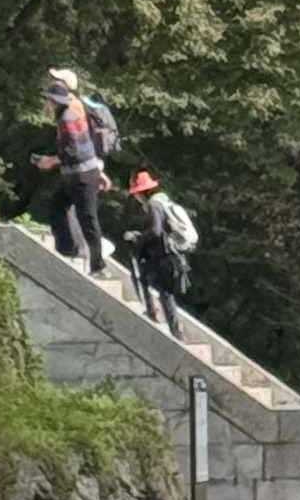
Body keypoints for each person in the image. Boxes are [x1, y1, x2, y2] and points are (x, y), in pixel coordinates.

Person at [29, 75, 111, 275]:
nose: (46, 104)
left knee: (88, 219)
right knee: (57, 207)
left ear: (53, 101)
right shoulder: (68, 113)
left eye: (47, 100)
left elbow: (75, 151)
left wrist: (51, 161)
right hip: (76, 175)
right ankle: (68, 249)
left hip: (81, 177)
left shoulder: (67, 118)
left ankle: (97, 264)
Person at [123, 169, 196, 335]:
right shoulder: (164, 202)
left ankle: (160, 320)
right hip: (174, 255)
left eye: (136, 194)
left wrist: (136, 237)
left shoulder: (154, 205)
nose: (135, 198)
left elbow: (155, 231)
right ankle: (171, 327)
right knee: (163, 290)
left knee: (148, 281)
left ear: (141, 193)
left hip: (165, 256)